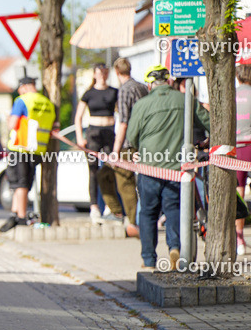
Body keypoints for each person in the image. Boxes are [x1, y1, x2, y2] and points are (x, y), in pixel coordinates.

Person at [128, 64, 210, 269]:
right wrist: (205, 142)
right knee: (173, 208)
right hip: (176, 169)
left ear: (150, 84)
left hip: (149, 168)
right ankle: (175, 247)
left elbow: (131, 138)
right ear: (170, 81)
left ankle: (148, 259)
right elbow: (209, 122)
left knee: (147, 212)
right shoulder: (185, 100)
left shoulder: (142, 104)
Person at [0, 76, 57, 233]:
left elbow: (12, 124)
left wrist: (7, 117)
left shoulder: (22, 100)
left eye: (20, 88)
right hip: (38, 149)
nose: (19, 91)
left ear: (24, 87)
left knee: (19, 183)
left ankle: (21, 217)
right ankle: (15, 214)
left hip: (21, 147)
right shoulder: (47, 102)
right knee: (23, 183)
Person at [75, 63, 123, 224]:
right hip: (93, 133)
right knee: (93, 171)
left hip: (109, 131)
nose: (102, 75)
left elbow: (122, 112)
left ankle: (111, 206)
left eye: (104, 72)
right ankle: (94, 206)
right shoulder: (89, 93)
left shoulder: (113, 92)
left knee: (111, 169)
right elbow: (78, 117)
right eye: (99, 72)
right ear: (94, 74)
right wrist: (79, 138)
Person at [110, 58, 147, 237]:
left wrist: (115, 152)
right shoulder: (141, 87)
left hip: (128, 143)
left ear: (117, 72)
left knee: (125, 183)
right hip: (144, 140)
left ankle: (132, 223)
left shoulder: (124, 90)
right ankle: (130, 217)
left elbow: (123, 122)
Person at [234, 65, 251, 254]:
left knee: (239, 191)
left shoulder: (231, 95)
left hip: (234, 146)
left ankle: (239, 238)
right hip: (250, 144)